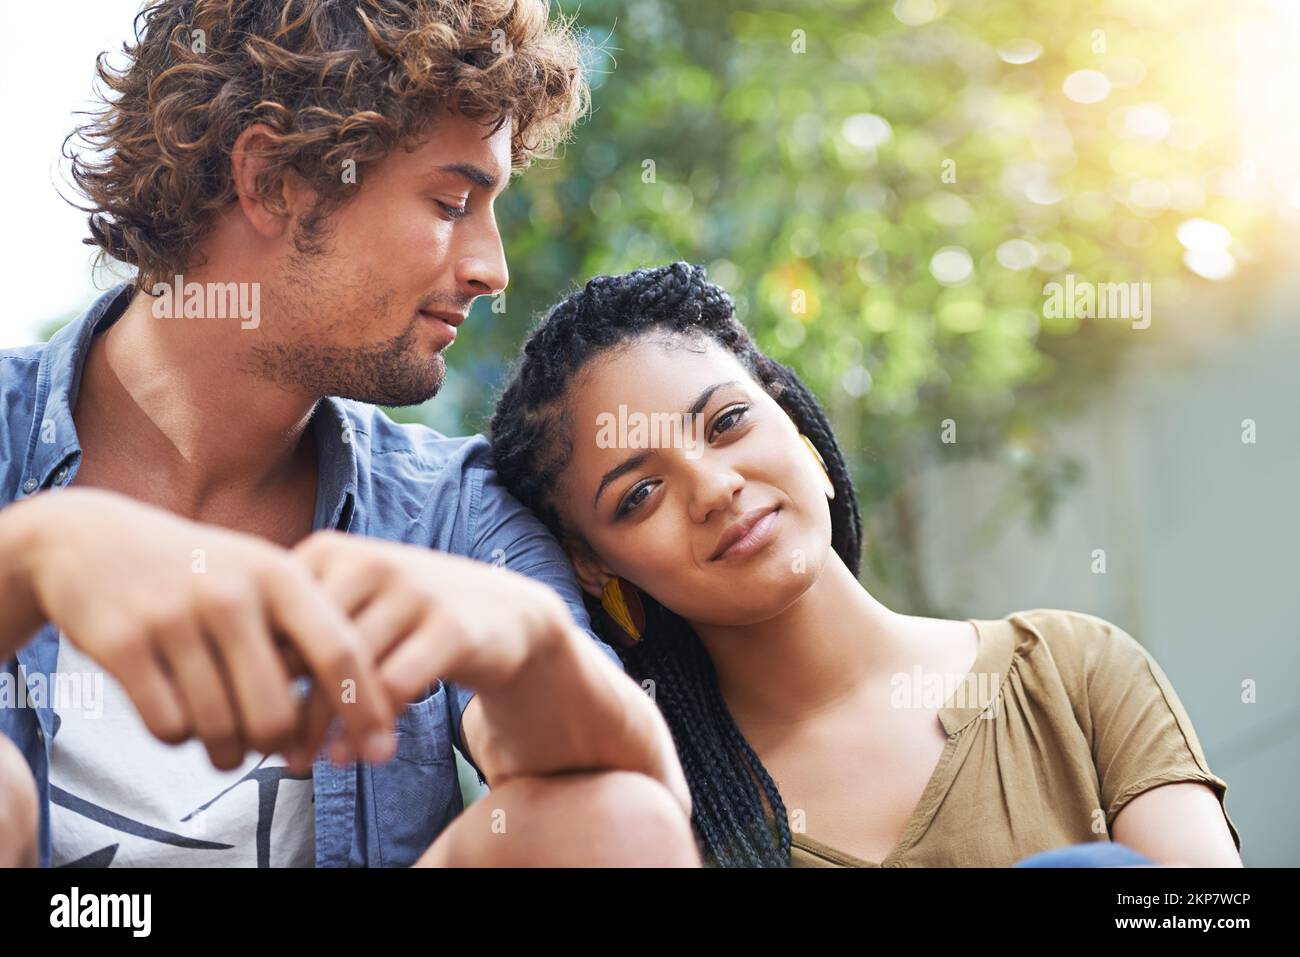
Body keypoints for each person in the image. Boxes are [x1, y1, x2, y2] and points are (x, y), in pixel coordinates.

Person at [0, 0, 696, 868]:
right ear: (271, 182)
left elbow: (648, 813)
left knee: (611, 816)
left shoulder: (450, 515)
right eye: (451, 201)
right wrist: (25, 563)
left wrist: (537, 643)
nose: (492, 268)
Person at [487, 261, 1244, 868]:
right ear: (593, 566)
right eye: (641, 492)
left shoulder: (1072, 672)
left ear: (790, 414)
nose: (715, 488)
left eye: (727, 422)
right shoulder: (651, 821)